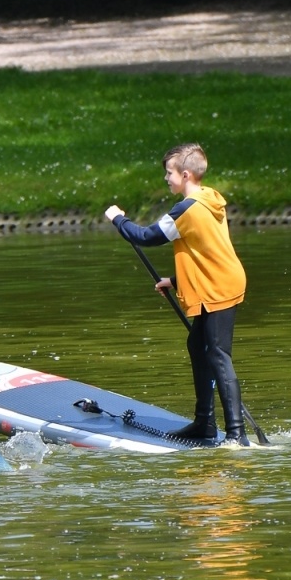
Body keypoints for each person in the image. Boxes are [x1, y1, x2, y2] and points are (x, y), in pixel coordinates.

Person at [105, 143, 250, 447]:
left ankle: (237, 434)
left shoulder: (187, 209)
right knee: (198, 345)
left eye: (169, 173)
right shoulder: (210, 198)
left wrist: (118, 219)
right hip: (217, 280)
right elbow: (205, 249)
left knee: (218, 355)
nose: (166, 179)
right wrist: (176, 280)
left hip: (218, 288)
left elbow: (145, 236)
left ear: (185, 175)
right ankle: (204, 424)